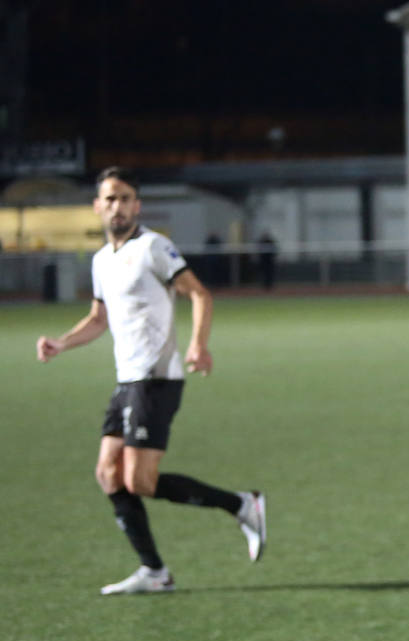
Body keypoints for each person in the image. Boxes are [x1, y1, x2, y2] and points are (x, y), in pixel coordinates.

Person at [35, 166, 266, 594]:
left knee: (139, 481)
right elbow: (98, 318)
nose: (117, 206)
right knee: (108, 475)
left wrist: (198, 344)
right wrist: (61, 344)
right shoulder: (101, 260)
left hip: (157, 379)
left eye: (125, 198)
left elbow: (199, 293)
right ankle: (155, 572)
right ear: (97, 206)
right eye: (109, 198)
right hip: (127, 382)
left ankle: (242, 505)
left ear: (137, 205)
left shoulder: (154, 247)